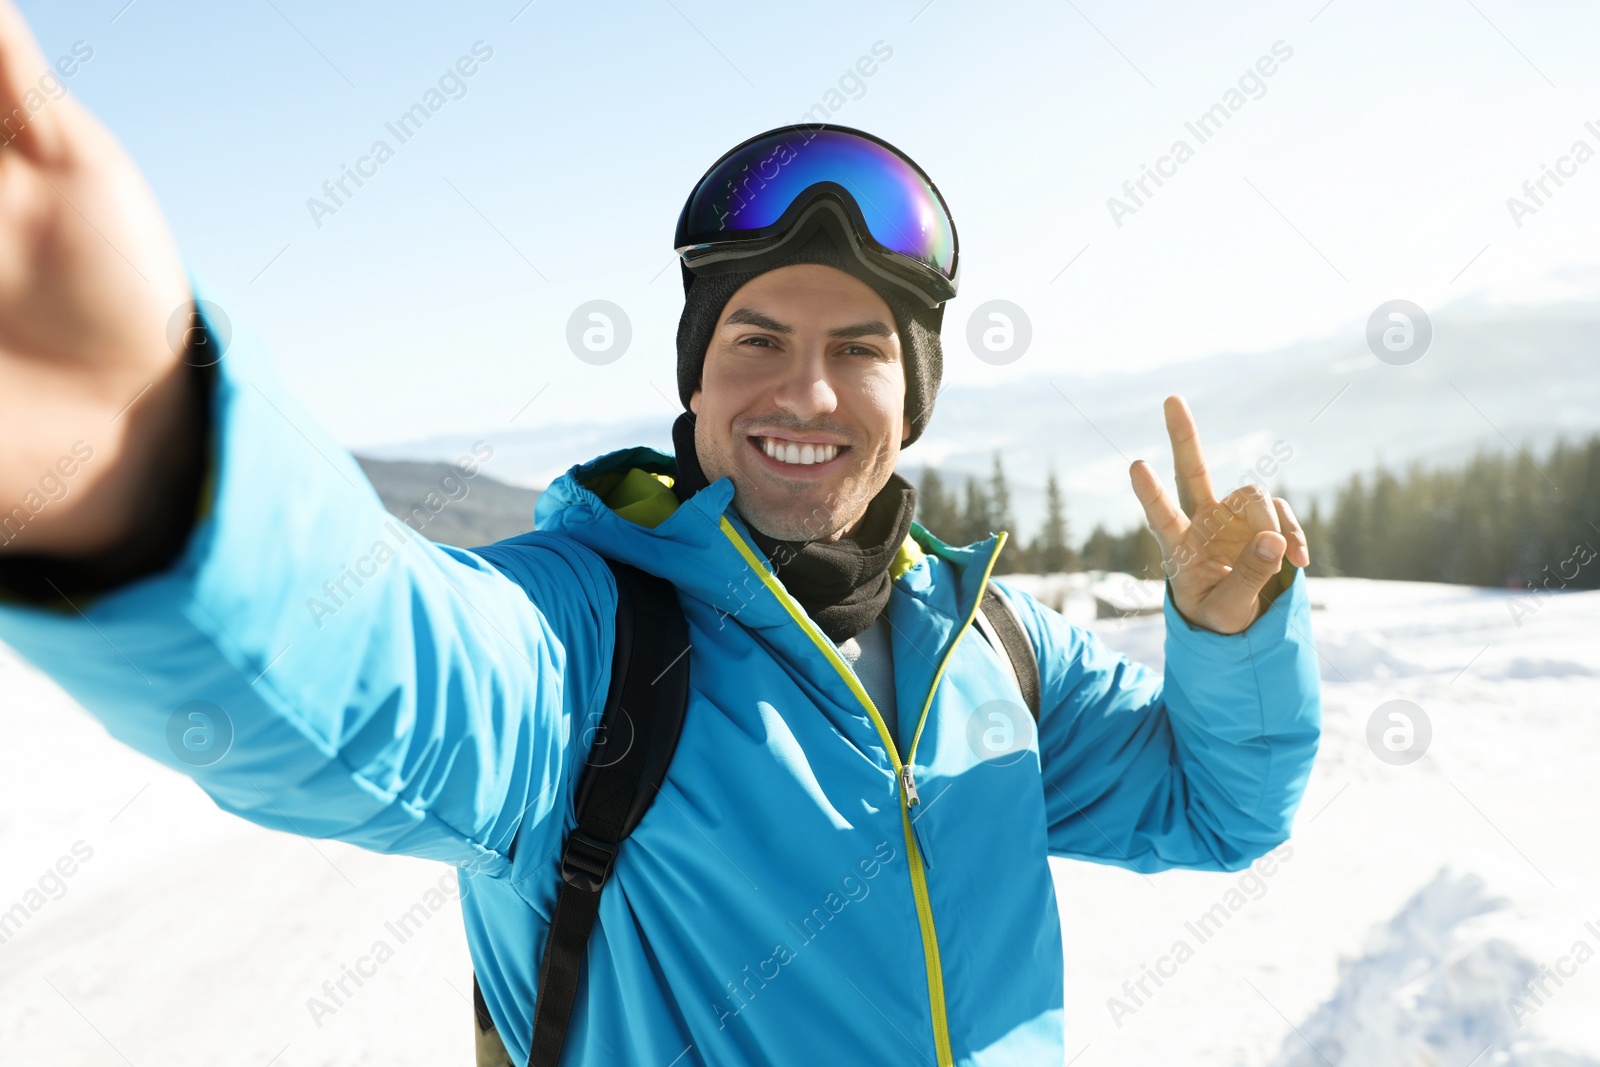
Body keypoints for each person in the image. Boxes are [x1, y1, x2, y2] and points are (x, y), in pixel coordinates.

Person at [0, 5, 1321, 1063]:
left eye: (858, 351)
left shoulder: (998, 649)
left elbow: (1215, 812)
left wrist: (1228, 638)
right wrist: (146, 455)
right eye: (756, 340)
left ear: (911, 400)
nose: (805, 393)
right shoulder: (592, 640)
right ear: (693, 379)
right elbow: (385, 676)